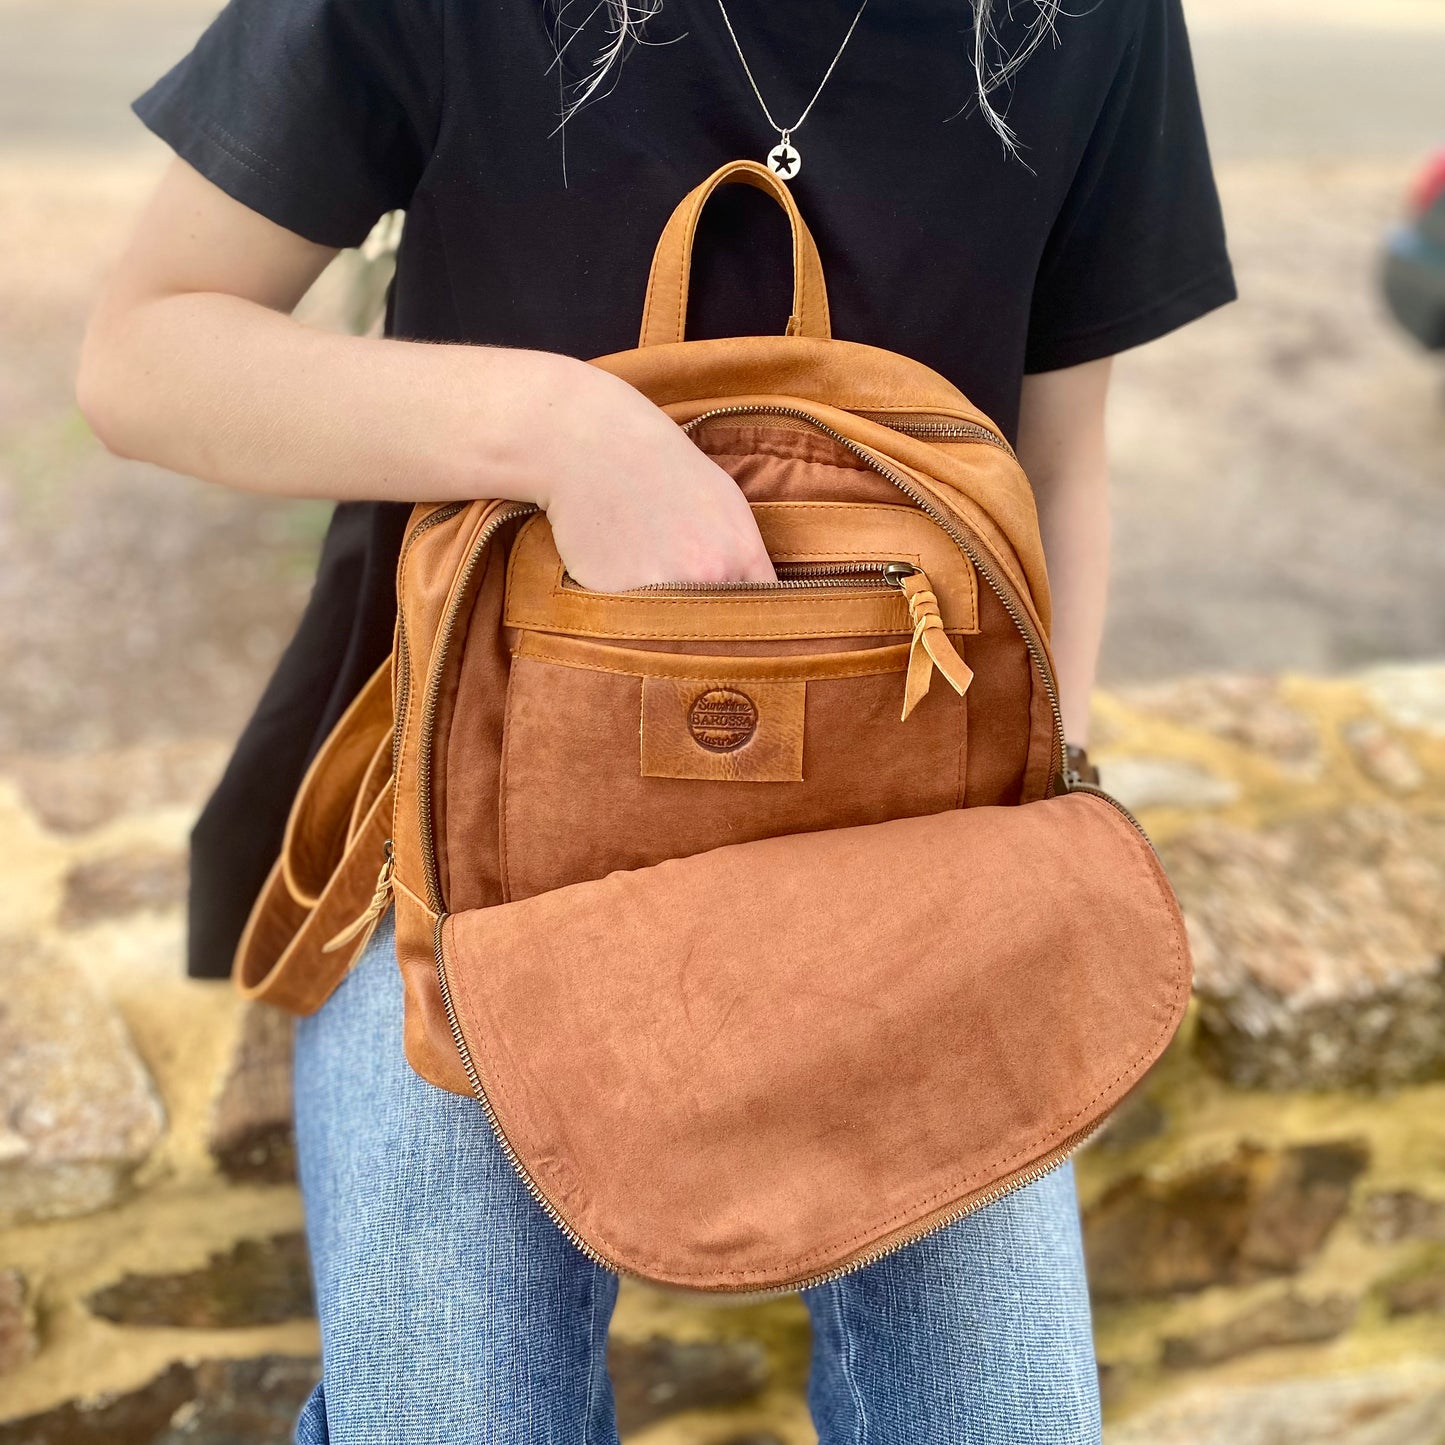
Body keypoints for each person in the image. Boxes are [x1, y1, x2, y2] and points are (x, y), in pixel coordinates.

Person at [77, 0, 1234, 1438]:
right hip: (455, 804)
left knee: (1006, 1415)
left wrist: (1030, 827)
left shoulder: (1083, 21)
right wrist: (561, 433)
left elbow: (1058, 464)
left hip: (908, 833)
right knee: (453, 1414)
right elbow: (143, 355)